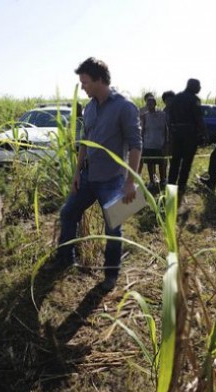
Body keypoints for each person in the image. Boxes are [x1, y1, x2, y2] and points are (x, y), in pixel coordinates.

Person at [50, 57, 142, 291]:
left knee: (113, 227)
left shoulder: (124, 106)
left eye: (85, 82)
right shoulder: (89, 109)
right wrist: (77, 173)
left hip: (113, 180)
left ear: (100, 80)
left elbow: (135, 145)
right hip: (89, 177)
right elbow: (83, 143)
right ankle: (65, 259)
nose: (82, 87)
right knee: (68, 213)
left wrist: (130, 182)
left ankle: (111, 274)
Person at [168, 79, 208, 201]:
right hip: (190, 134)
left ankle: (170, 188)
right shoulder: (194, 100)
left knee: (175, 162)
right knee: (186, 163)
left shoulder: (176, 97)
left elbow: (170, 115)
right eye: (199, 86)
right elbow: (198, 118)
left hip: (176, 133)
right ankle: (181, 188)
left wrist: (173, 129)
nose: (200, 88)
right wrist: (205, 134)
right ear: (193, 86)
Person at [139, 96, 167, 190]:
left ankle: (163, 180)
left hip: (159, 143)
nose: (149, 105)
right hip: (148, 144)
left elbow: (166, 129)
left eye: (151, 103)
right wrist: (141, 141)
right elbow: (142, 130)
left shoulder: (162, 115)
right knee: (150, 164)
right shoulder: (145, 116)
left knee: (161, 163)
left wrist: (166, 142)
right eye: (147, 104)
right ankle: (152, 181)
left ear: (155, 104)